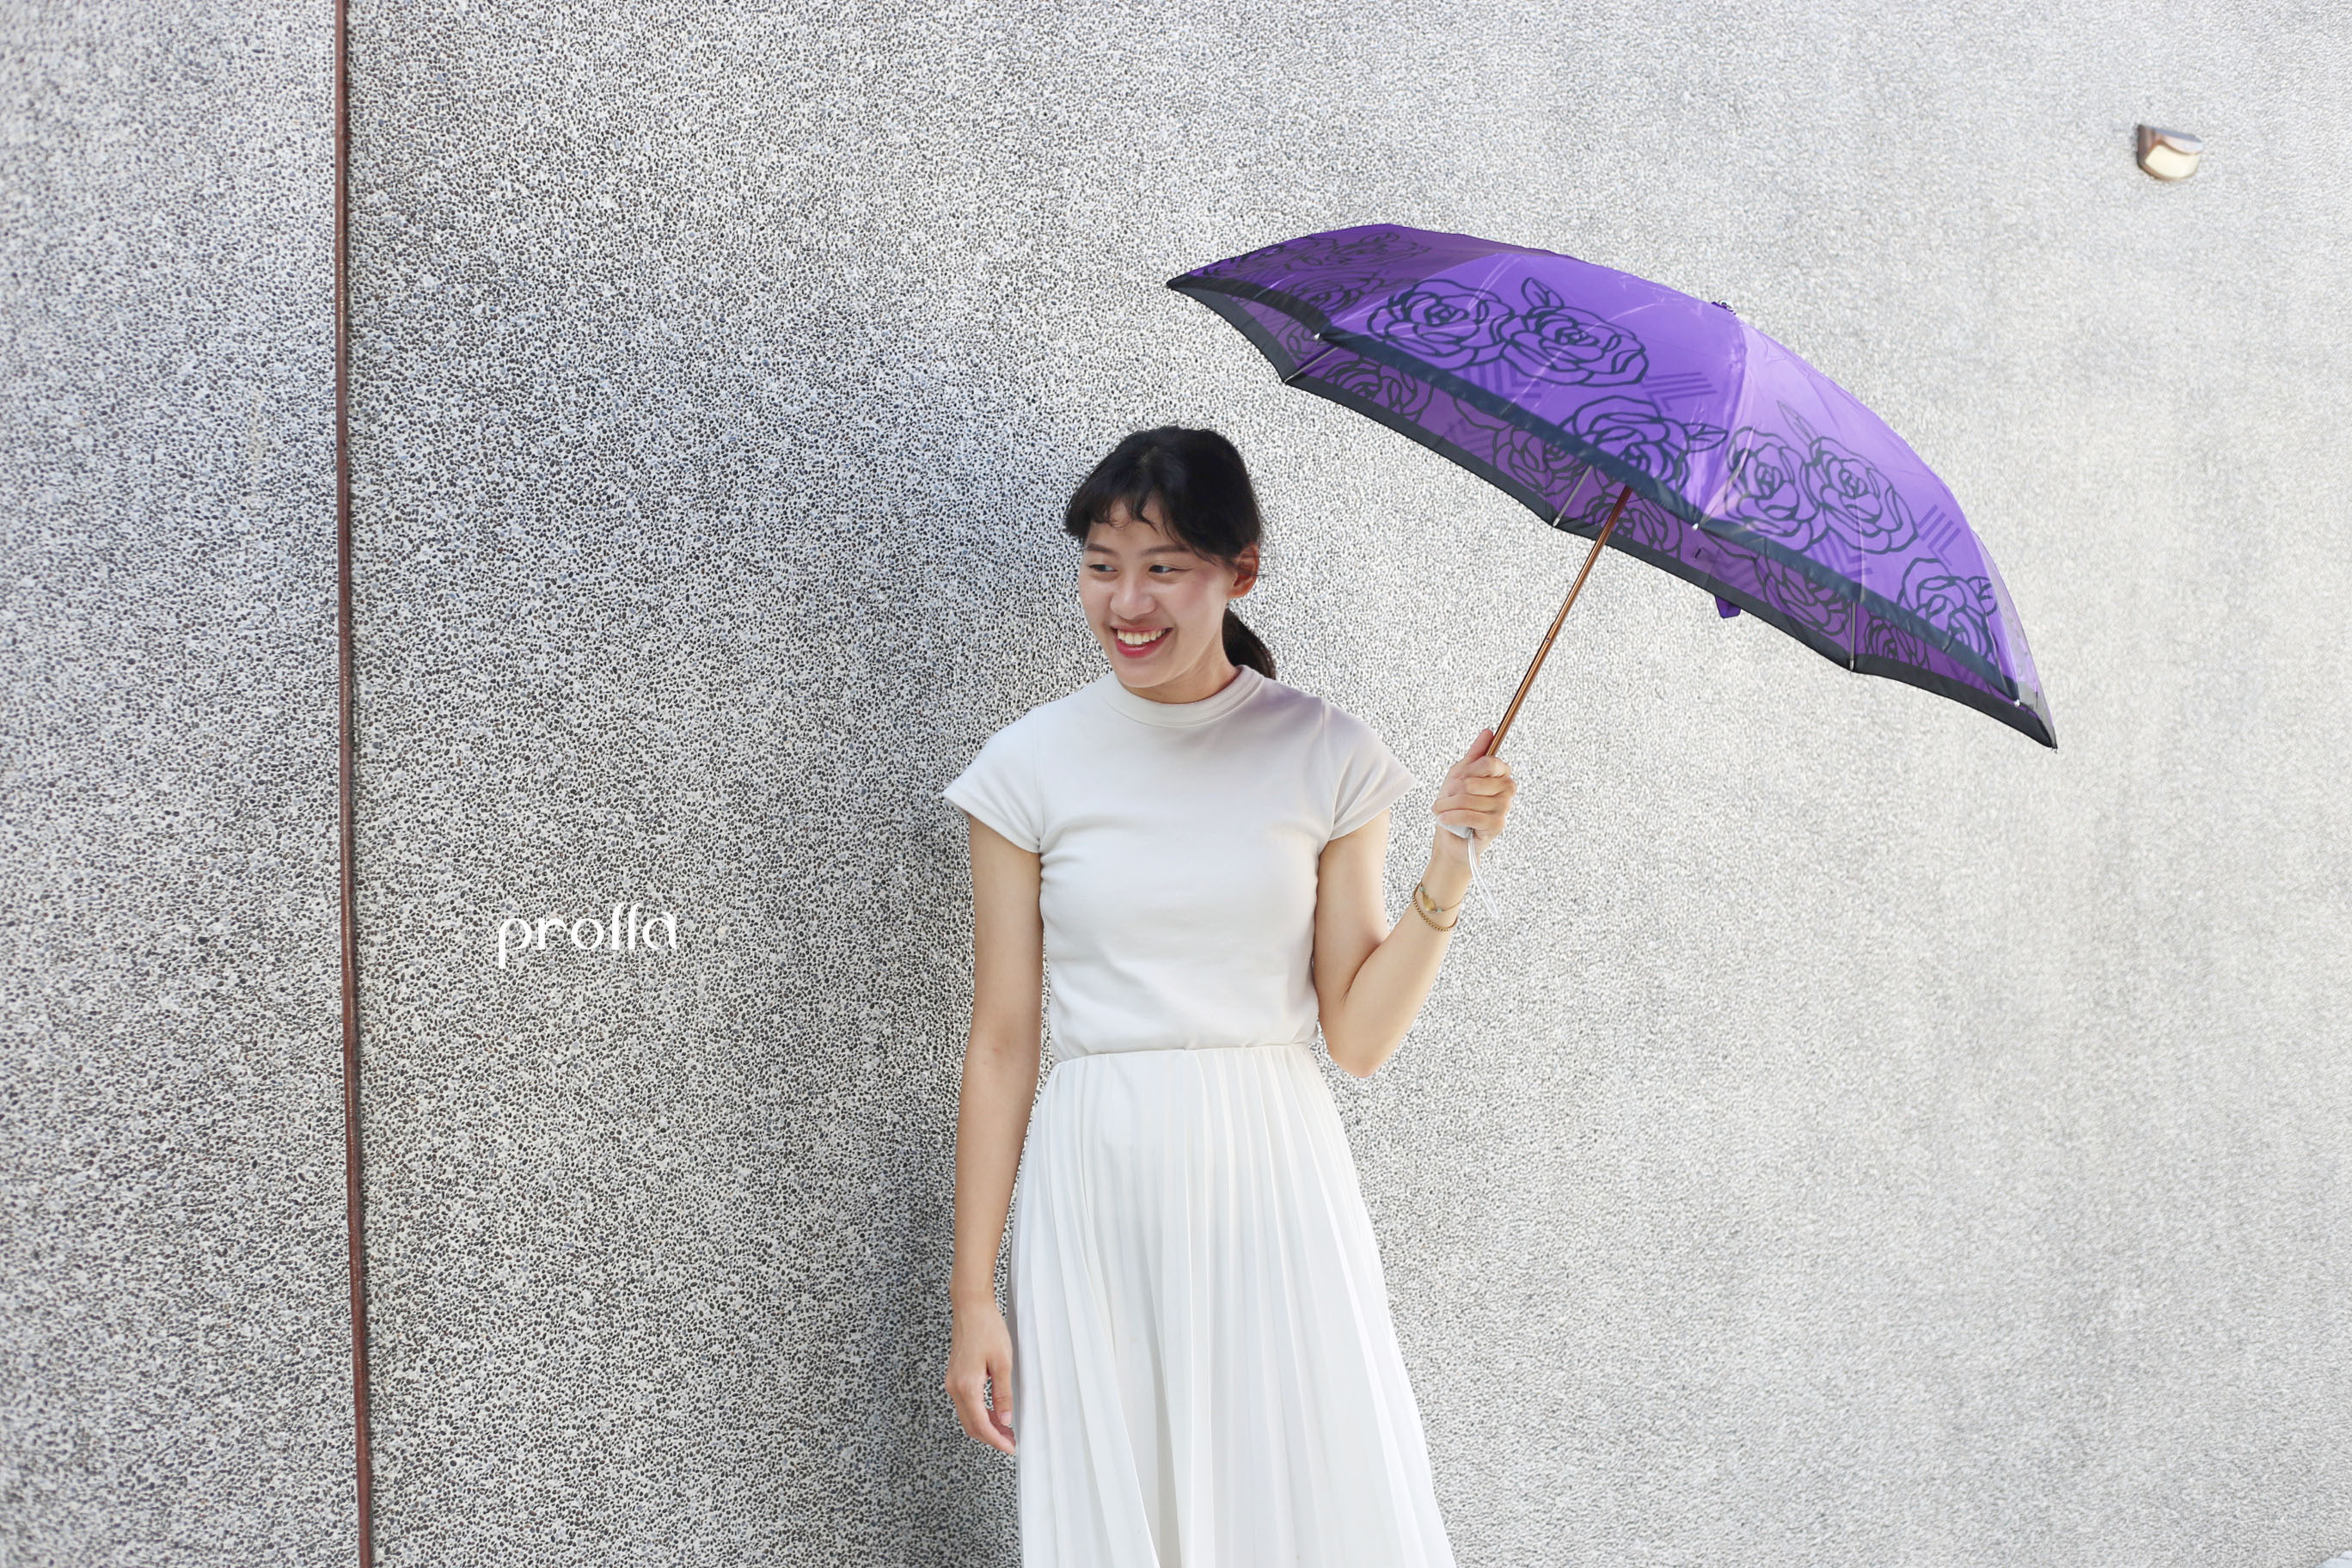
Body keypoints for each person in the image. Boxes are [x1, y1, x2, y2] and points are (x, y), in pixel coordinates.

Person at [940, 425, 1516, 1566]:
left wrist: (1451, 860)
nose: (1127, 603)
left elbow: (1358, 1036)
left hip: (1272, 1170)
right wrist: (973, 1298)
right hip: (1099, 1176)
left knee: (1295, 1502)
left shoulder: (1326, 753)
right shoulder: (1028, 766)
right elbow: (1002, 1044)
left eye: (1164, 567)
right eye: (1102, 566)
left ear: (1239, 571)